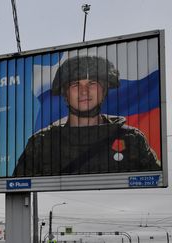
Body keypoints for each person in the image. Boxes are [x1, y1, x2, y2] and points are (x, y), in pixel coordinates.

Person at [13, 55, 161, 176]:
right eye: (75, 85)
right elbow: (18, 184)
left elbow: (154, 178)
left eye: (92, 83)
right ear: (65, 94)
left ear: (103, 91)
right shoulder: (41, 143)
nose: (84, 91)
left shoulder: (132, 139)